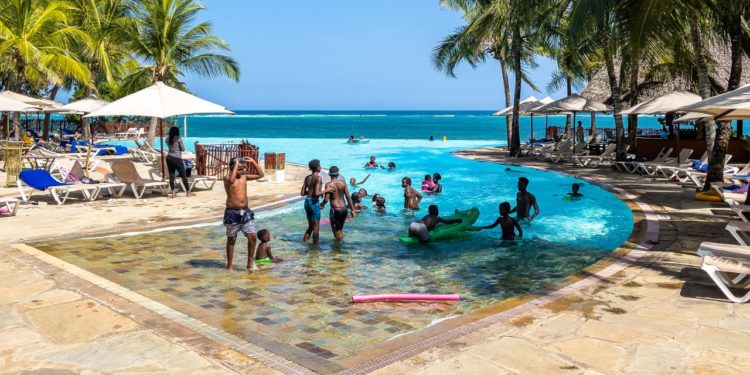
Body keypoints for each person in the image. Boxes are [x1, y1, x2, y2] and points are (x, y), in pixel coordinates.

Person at [223, 157, 264, 271]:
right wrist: (236, 163)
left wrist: (253, 162)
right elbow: (231, 181)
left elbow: (261, 175)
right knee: (231, 240)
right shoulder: (227, 177)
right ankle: (230, 266)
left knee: (252, 236)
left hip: (245, 212)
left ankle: (249, 263)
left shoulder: (244, 177)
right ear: (233, 166)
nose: (243, 167)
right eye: (241, 166)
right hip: (232, 213)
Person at [321, 166, 356, 240]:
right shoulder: (343, 183)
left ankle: (338, 249)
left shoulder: (328, 184)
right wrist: (353, 210)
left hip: (335, 210)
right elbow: (348, 197)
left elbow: (326, 199)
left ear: (329, 174)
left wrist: (322, 204)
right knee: (340, 229)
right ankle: (340, 245)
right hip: (344, 209)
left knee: (336, 231)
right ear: (338, 174)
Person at [165, 126, 194, 198]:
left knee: (171, 175)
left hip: (169, 157)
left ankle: (173, 193)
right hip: (177, 158)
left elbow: (170, 147)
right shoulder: (178, 139)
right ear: (177, 132)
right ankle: (188, 192)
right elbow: (183, 149)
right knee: (184, 175)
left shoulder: (167, 139)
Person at [301, 159, 325, 244]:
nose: (320, 167)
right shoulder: (318, 178)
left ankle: (303, 242)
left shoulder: (307, 178)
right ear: (317, 168)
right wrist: (326, 190)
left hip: (307, 201)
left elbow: (303, 193)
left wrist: (312, 192)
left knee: (310, 226)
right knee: (316, 227)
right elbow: (317, 193)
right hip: (314, 203)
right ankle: (315, 247)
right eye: (319, 165)